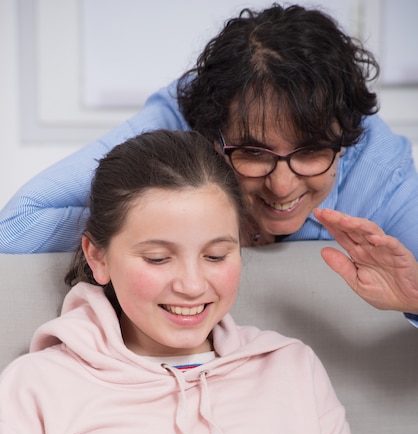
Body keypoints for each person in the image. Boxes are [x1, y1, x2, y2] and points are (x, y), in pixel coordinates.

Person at [0, 129, 415, 434]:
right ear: (98, 257)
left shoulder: (291, 368)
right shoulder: (36, 389)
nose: (193, 284)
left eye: (217, 255)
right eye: (157, 258)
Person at [1, 3, 418, 324]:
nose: (283, 186)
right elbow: (15, 226)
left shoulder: (381, 169)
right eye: (254, 154)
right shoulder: (174, 127)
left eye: (311, 153)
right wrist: (192, 221)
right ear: (208, 132)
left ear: (345, 138)